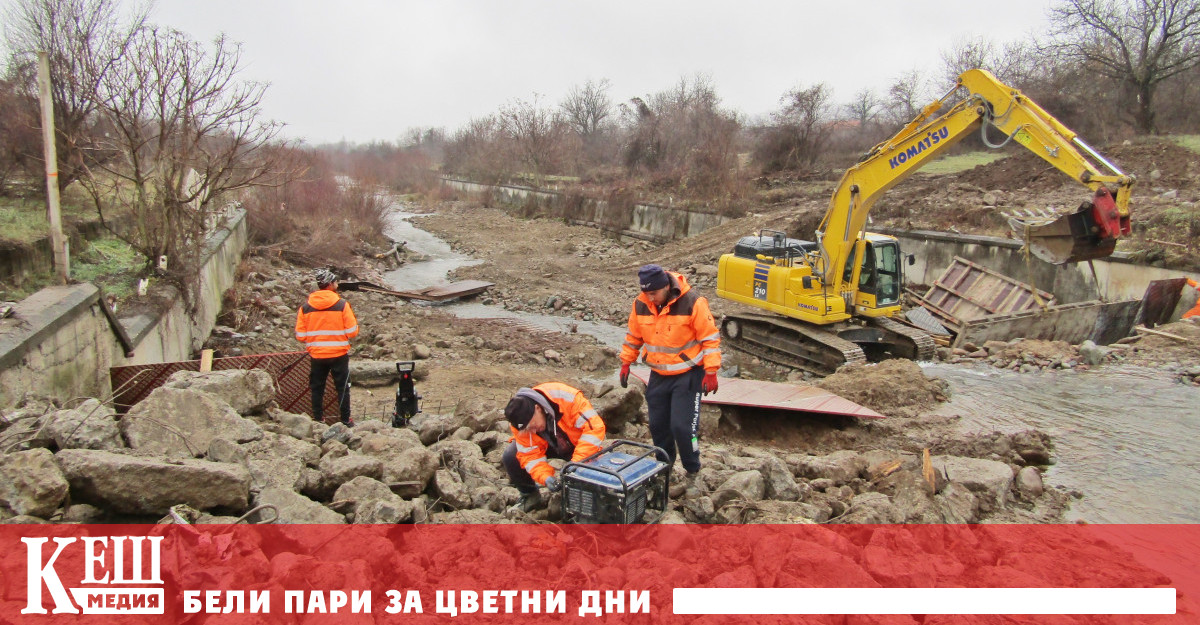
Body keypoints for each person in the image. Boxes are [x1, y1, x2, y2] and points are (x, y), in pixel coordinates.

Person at [618, 264, 720, 495]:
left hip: (688, 374)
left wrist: (711, 371)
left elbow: (710, 338)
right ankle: (663, 470)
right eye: (646, 293)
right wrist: (626, 361)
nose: (650, 298)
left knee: (683, 428)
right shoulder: (642, 304)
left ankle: (693, 473)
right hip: (659, 375)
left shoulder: (692, 302)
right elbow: (634, 335)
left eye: (653, 293)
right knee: (658, 426)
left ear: (666, 286)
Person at [502, 383, 606, 513]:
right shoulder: (519, 423)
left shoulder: (566, 398)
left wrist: (577, 463)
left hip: (577, 444)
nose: (532, 430)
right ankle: (530, 496)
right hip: (550, 445)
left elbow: (594, 428)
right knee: (511, 456)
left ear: (538, 408)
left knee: (595, 479)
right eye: (528, 429)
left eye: (533, 425)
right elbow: (530, 456)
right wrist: (546, 478)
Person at [295, 268, 359, 426]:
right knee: (343, 388)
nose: (337, 283)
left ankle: (318, 419)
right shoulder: (342, 305)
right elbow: (352, 332)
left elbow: (300, 336)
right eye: (336, 281)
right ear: (330, 284)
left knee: (317, 388)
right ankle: (346, 420)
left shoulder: (305, 308)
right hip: (339, 354)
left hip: (317, 355)